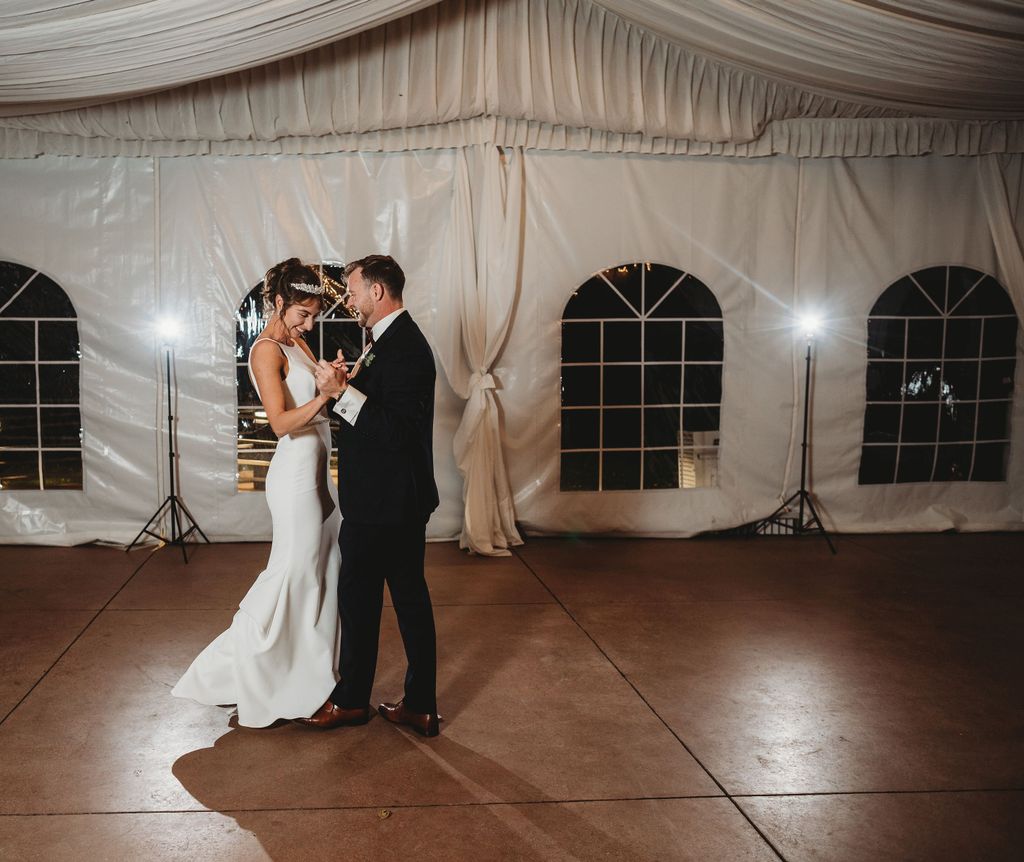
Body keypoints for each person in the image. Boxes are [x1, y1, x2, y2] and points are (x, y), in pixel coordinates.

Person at [172, 258, 341, 728]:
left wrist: (334, 381)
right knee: (291, 577)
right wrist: (326, 396)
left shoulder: (297, 341)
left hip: (319, 473)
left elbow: (312, 400)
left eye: (314, 316)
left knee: (322, 572)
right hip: (293, 479)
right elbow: (284, 424)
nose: (309, 324)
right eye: (302, 314)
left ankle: (310, 677)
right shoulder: (267, 351)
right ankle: (232, 672)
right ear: (279, 302)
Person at [296, 254, 441, 737]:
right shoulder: (386, 341)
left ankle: (352, 701)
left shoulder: (408, 348)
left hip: (387, 504)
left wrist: (342, 394)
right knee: (405, 600)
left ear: (378, 292)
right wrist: (348, 384)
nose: (350, 300)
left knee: (362, 602)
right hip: (386, 499)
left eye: (354, 291)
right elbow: (377, 413)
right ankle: (419, 705)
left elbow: (397, 432)